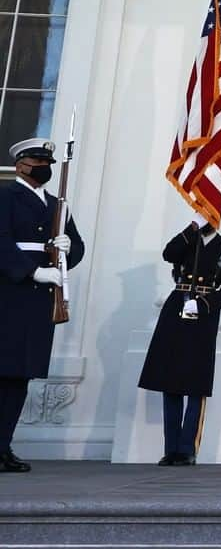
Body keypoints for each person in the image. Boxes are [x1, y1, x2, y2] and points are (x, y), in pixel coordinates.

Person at [0, 137, 85, 473]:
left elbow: (76, 246)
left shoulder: (56, 204)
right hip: (11, 292)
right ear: (21, 165)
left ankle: (3, 446)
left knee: (20, 376)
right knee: (2, 373)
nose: (44, 168)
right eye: (38, 162)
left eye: (48, 163)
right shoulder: (6, 195)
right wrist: (33, 271)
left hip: (39, 302)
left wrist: (68, 248)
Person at [138, 213, 221, 465]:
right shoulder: (188, 241)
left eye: (208, 213)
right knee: (170, 378)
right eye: (200, 213)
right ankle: (171, 448)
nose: (205, 218)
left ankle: (187, 449)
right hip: (176, 309)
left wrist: (206, 304)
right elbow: (169, 254)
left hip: (203, 314)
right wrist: (191, 229)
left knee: (195, 382)